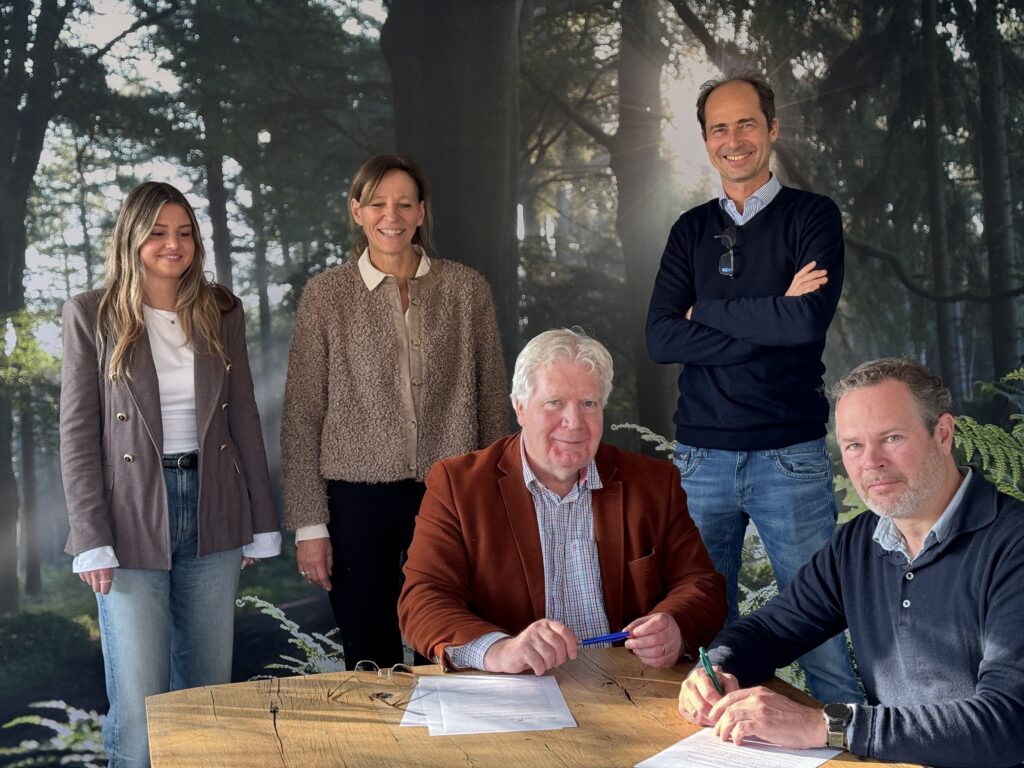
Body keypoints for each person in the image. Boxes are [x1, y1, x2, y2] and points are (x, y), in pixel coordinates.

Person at [677, 358, 1024, 768]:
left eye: (892, 438)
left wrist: (824, 725)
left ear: (943, 434)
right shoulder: (859, 542)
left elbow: (1009, 724)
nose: (871, 462)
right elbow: (769, 630)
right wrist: (717, 668)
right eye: (854, 445)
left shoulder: (1013, 544)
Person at [646, 69, 859, 702]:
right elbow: (661, 338)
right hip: (701, 459)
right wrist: (772, 315)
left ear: (772, 129)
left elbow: (805, 322)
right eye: (719, 128)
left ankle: (849, 742)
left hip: (789, 457)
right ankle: (714, 745)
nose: (733, 139)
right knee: (702, 631)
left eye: (746, 124)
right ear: (705, 140)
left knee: (821, 636)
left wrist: (705, 312)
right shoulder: (690, 230)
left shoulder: (812, 216)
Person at [60, 181, 281, 767]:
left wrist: (260, 520)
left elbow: (244, 418)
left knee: (207, 698)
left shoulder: (221, 309)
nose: (172, 244)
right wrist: (91, 536)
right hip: (131, 514)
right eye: (157, 232)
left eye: (184, 232)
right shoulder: (91, 314)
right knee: (140, 708)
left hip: (214, 505)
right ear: (131, 237)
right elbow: (78, 435)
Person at [281, 154, 508, 669]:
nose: (392, 216)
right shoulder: (326, 295)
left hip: (452, 492)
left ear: (421, 211)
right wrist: (310, 524)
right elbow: (301, 415)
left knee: (451, 644)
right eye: (378, 204)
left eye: (405, 204)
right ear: (356, 211)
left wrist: (496, 499)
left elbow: (492, 399)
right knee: (369, 654)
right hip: (355, 499)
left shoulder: (466, 289)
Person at [398, 328, 726, 674]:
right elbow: (423, 599)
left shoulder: (654, 483)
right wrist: (498, 649)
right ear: (520, 408)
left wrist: (674, 624)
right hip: (514, 687)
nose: (574, 422)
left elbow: (701, 584)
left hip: (627, 682)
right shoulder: (459, 485)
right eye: (554, 403)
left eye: (589, 404)